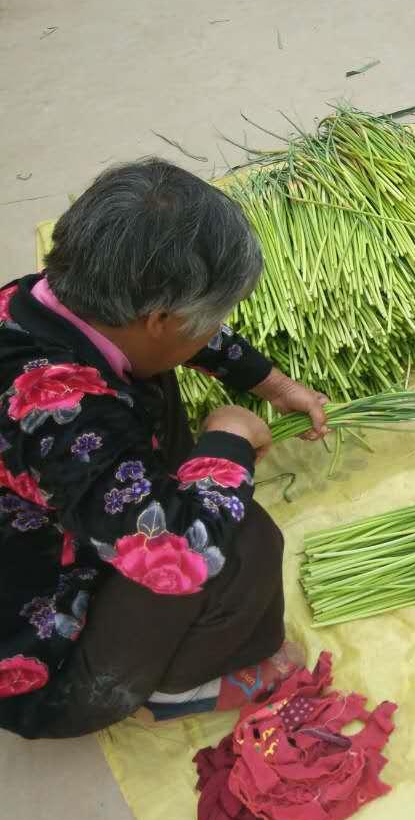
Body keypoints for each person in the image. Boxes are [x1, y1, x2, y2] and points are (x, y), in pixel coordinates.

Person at [0, 159, 330, 738]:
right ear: (158, 318)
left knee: (160, 389)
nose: (213, 330)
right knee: (244, 540)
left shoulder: (48, 302)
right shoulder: (58, 412)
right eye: (207, 320)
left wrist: (271, 384)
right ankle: (178, 686)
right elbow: (175, 552)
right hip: (41, 660)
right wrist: (226, 442)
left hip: (66, 510)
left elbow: (182, 330)